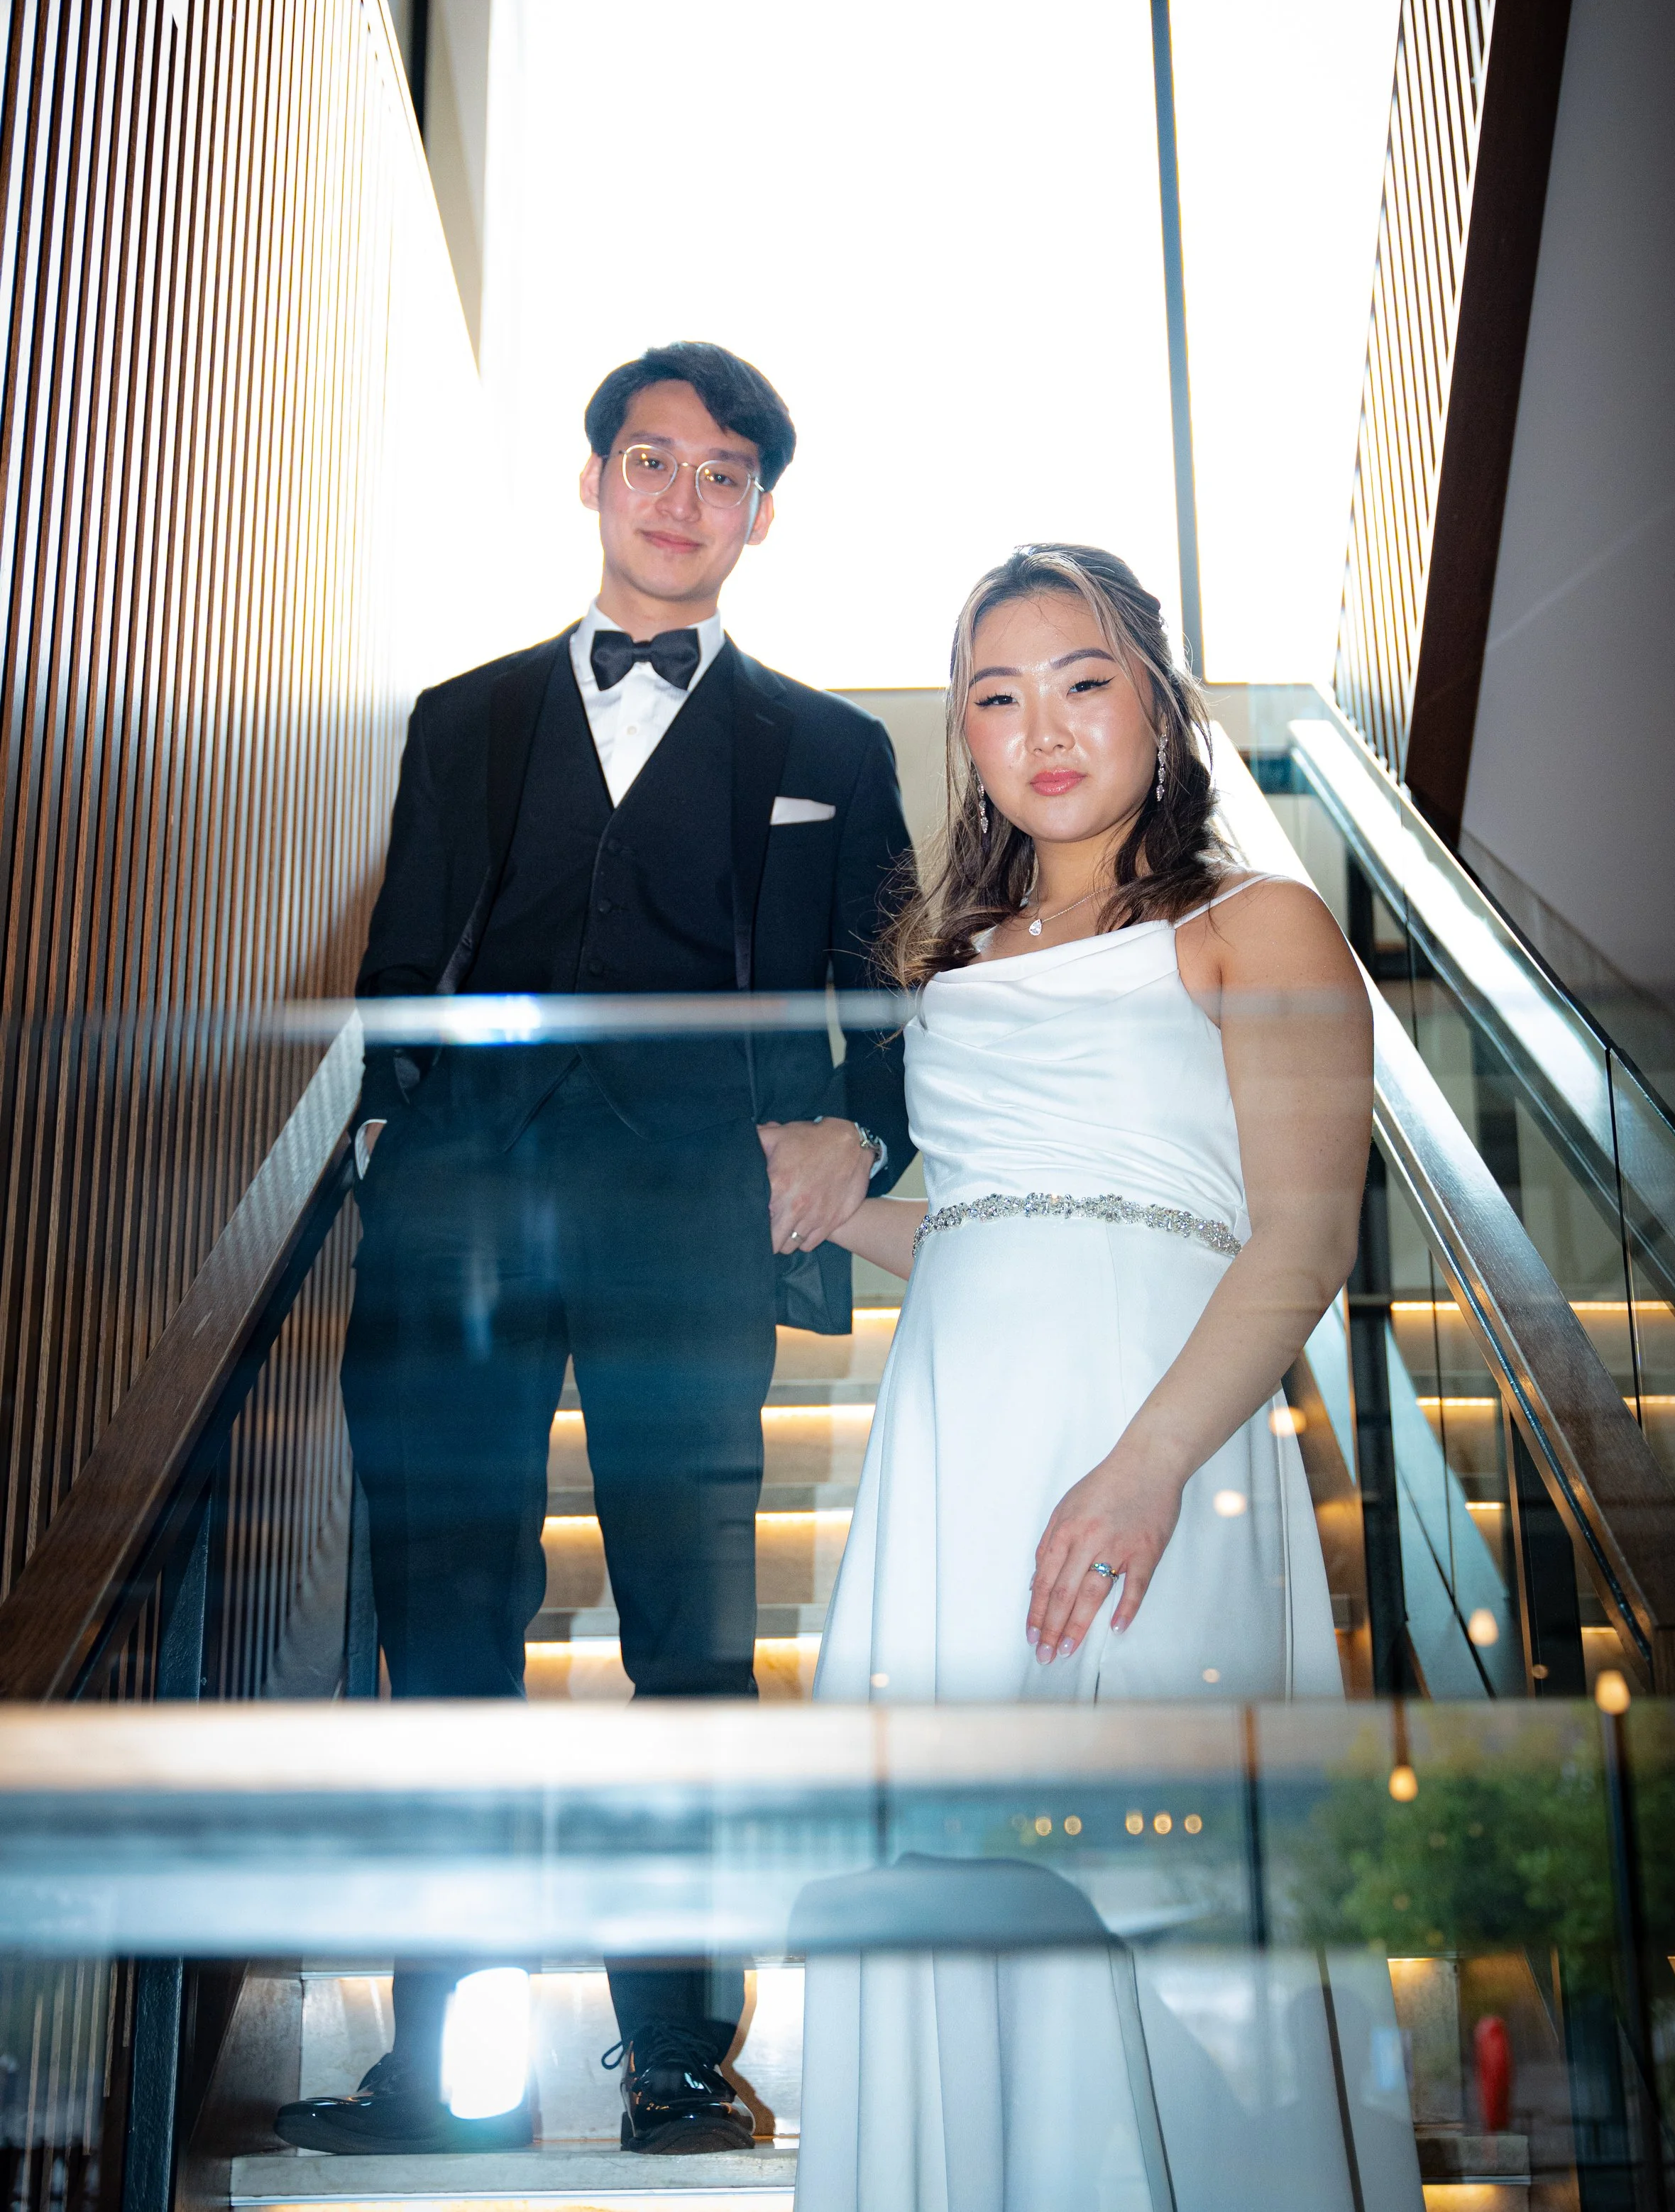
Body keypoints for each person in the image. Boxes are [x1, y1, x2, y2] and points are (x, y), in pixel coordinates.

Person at [276, 342, 913, 2160]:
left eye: (722, 474)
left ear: (760, 514)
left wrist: (858, 1126)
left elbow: (880, 993)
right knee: (447, 1638)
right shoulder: (457, 717)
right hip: (457, 1221)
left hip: (692, 1225)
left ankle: (680, 2060)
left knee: (693, 1646)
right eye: (651, 459)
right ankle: (443, 2075)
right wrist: (397, 1122)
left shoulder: (831, 747)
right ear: (592, 479)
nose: (680, 496)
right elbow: (405, 963)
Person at [795, 544, 1374, 2209]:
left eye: (1082, 681)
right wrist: (850, 1211)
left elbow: (1298, 1241)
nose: (1040, 728)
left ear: (1157, 702)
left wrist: (1143, 1469)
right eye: (996, 696)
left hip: (1153, 1451)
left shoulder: (1249, 922)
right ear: (963, 739)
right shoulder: (949, 964)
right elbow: (993, 1226)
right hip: (951, 1461)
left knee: (1151, 1911)